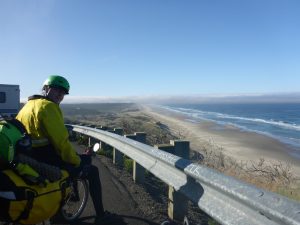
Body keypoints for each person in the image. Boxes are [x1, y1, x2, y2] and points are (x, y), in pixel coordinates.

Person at [16, 75, 115, 224]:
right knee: (91, 170)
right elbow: (61, 143)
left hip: (30, 157)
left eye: (63, 93)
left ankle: (62, 206)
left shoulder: (27, 106)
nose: (60, 95)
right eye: (57, 90)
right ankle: (100, 215)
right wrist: (78, 160)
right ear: (46, 89)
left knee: (75, 161)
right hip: (47, 159)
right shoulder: (49, 107)